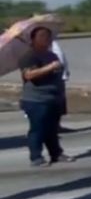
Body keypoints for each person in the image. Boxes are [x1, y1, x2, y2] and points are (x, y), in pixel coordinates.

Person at [18, 26, 71, 167]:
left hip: (53, 97)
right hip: (36, 99)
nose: (46, 39)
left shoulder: (51, 55)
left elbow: (57, 75)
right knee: (38, 129)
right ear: (33, 39)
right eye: (41, 36)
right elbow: (29, 75)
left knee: (52, 128)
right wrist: (50, 67)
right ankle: (36, 157)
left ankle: (56, 153)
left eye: (48, 36)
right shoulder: (29, 56)